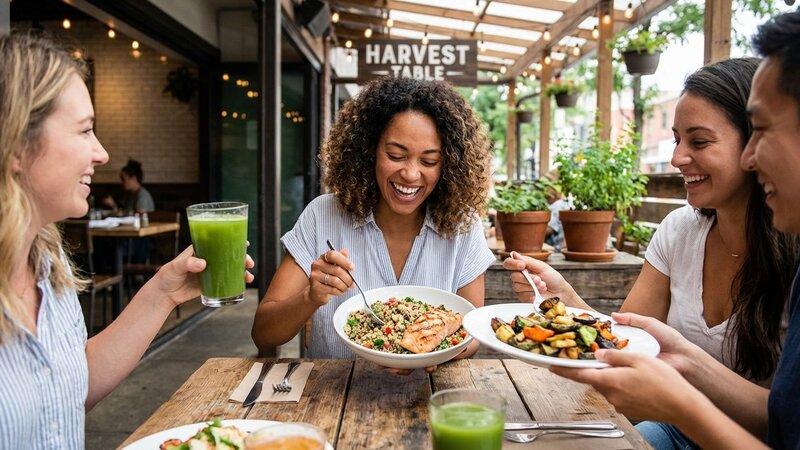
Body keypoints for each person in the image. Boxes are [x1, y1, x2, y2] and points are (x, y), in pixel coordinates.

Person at [505, 57, 800, 448]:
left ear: (752, 145)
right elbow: (625, 338)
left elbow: (785, 427)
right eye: (677, 138)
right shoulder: (679, 230)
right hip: (680, 431)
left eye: (699, 141)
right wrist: (563, 301)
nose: (677, 157)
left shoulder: (794, 257)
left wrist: (682, 394)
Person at [0, 32, 253, 447]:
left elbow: (71, 386)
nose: (101, 153)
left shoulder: (50, 264)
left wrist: (162, 292)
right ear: (15, 143)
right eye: (84, 131)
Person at [252, 77, 495, 368]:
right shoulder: (322, 215)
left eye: (429, 161)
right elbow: (264, 334)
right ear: (369, 150)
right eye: (395, 155)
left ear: (448, 165)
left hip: (429, 394)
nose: (410, 174)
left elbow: (472, 333)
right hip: (332, 397)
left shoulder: (463, 226)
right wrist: (310, 297)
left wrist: (435, 354)